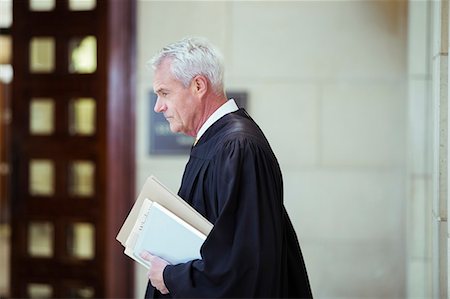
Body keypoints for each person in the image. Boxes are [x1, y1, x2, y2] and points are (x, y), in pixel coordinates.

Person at [140, 37, 313, 298]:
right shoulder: (217, 141)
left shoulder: (238, 148)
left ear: (198, 85)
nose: (158, 106)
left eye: (165, 93)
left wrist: (171, 276)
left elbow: (244, 265)